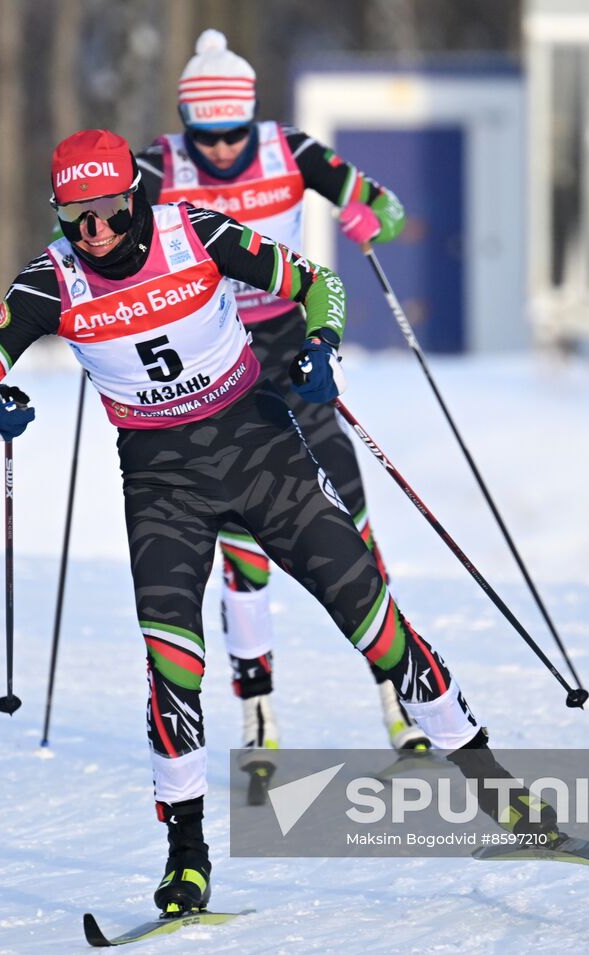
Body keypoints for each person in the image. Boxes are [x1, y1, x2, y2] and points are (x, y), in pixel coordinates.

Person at [0, 129, 556, 916]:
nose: (94, 232)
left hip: (262, 449)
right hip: (162, 482)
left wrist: (322, 345)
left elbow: (318, 285)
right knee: (171, 665)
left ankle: (487, 778)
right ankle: (186, 854)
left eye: (108, 211)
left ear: (136, 196)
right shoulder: (47, 285)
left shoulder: (193, 230)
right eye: (75, 216)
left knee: (370, 616)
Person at [136, 29, 424, 760]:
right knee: (244, 539)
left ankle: (400, 698)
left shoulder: (290, 151)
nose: (224, 151)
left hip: (293, 342)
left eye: (234, 133)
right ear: (185, 122)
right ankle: (258, 711)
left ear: (252, 118)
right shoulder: (155, 167)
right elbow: (82, 237)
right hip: (216, 359)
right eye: (209, 136)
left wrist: (366, 219)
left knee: (350, 514)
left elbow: (384, 206)